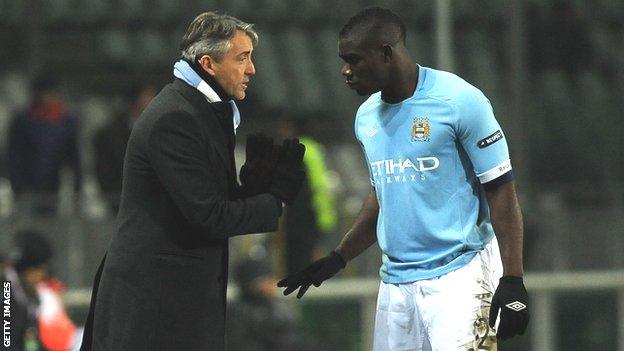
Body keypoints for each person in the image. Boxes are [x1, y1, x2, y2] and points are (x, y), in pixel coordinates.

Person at [278, 7, 529, 350]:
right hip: (395, 285)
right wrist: (339, 257)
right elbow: (384, 194)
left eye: (353, 60)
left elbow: (501, 190)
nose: (345, 70)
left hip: (459, 276)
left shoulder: (459, 101)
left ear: (385, 53)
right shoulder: (366, 117)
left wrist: (513, 278)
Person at [80, 12, 306, 351]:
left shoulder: (203, 111)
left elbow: (204, 202)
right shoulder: (175, 118)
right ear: (208, 64)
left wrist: (251, 190)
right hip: (152, 308)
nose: (252, 69)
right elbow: (208, 215)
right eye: (242, 58)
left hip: (173, 302)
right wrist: (270, 202)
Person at [7, 73, 82, 215]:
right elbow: (13, 156)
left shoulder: (66, 122)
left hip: (55, 188)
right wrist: (17, 186)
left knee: (52, 227)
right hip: (27, 189)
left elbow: (74, 157)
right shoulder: (22, 121)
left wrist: (76, 187)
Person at [276, 113, 338, 275]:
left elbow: (299, 187)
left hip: (303, 213)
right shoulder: (314, 147)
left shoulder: (296, 149)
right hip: (321, 210)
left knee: (300, 257)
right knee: (316, 253)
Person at [1, 230, 80, 351]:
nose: (42, 276)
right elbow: (6, 343)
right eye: (41, 270)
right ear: (28, 269)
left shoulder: (27, 296)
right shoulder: (6, 293)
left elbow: (31, 341)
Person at [227, 257, 321, 351]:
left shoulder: (278, 308)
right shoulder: (238, 312)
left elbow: (295, 339)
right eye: (261, 282)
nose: (269, 286)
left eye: (269, 281)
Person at [92, 84, 157, 212]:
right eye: (147, 97)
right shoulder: (109, 134)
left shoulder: (161, 129)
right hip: (120, 202)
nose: (153, 101)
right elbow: (104, 170)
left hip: (154, 206)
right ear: (136, 100)